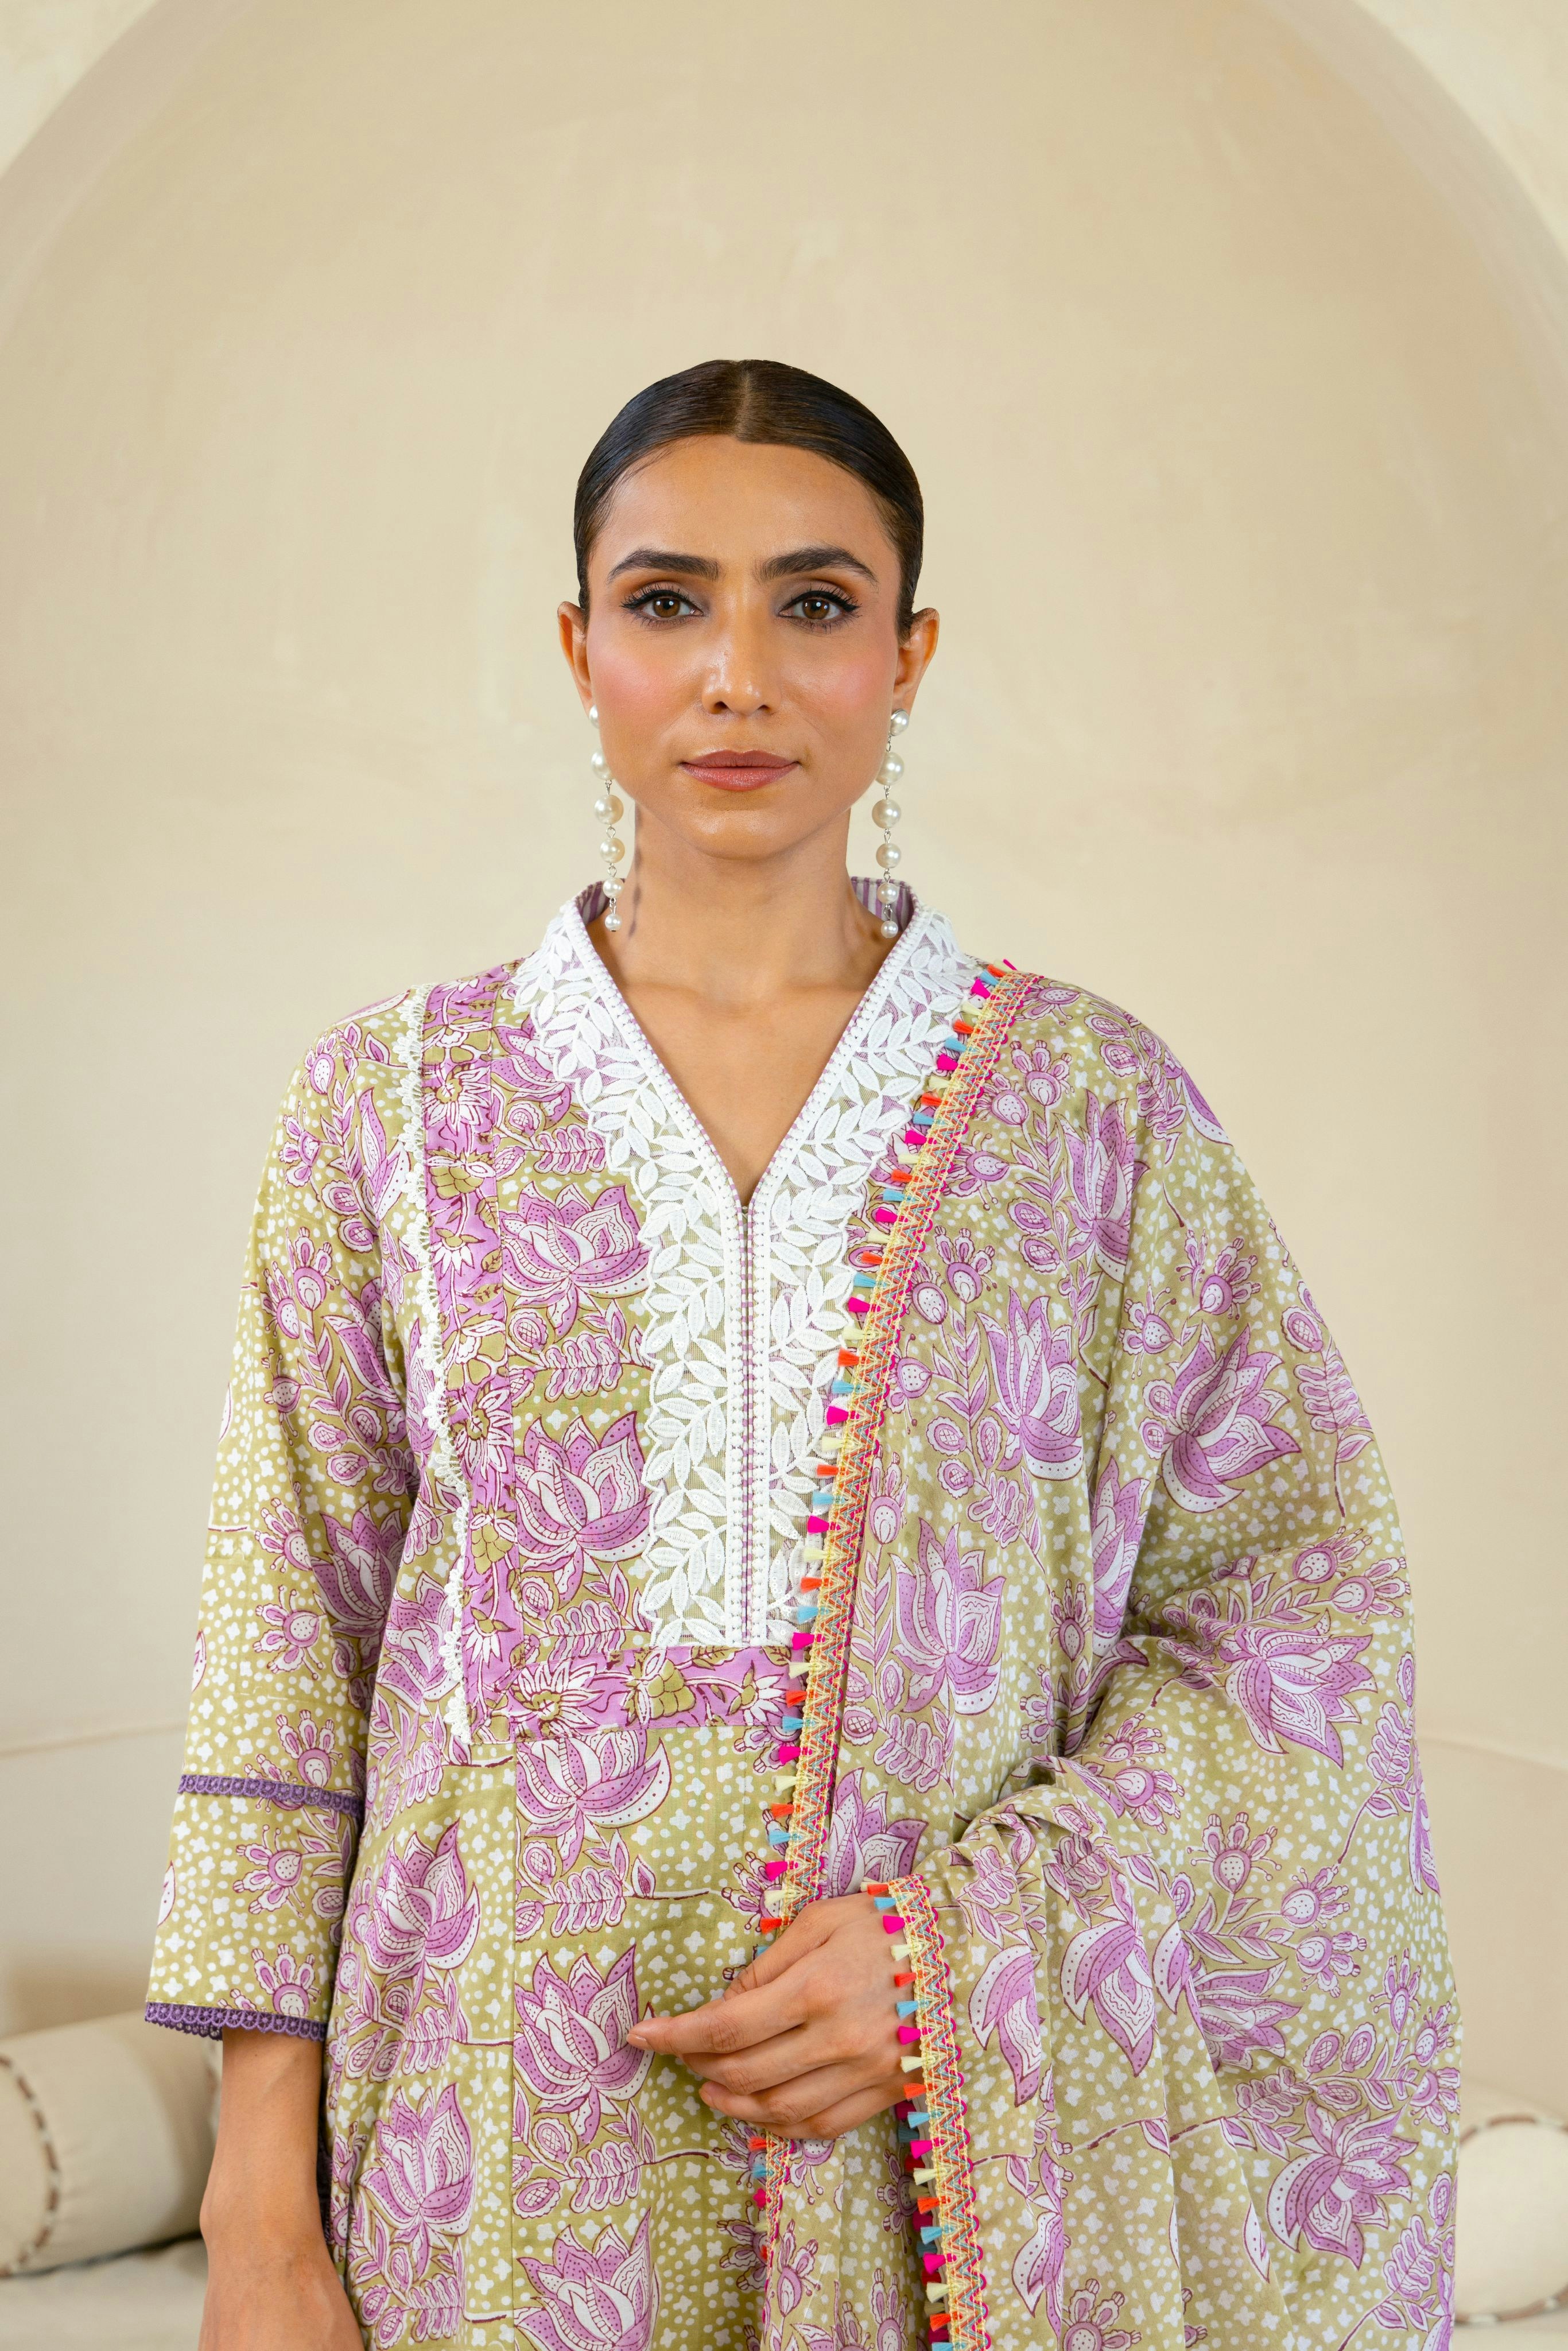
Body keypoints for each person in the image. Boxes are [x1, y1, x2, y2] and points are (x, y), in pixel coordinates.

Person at [148, 358, 1459, 2351]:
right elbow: (287, 1647)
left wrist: (954, 1958)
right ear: (579, 647)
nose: (736, 674)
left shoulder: (1089, 1112)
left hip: (935, 2151)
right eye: (667, 602)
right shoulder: (391, 1109)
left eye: (816, 603)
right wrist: (260, 2217)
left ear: (908, 654)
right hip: (494, 2162)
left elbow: (1294, 1602)